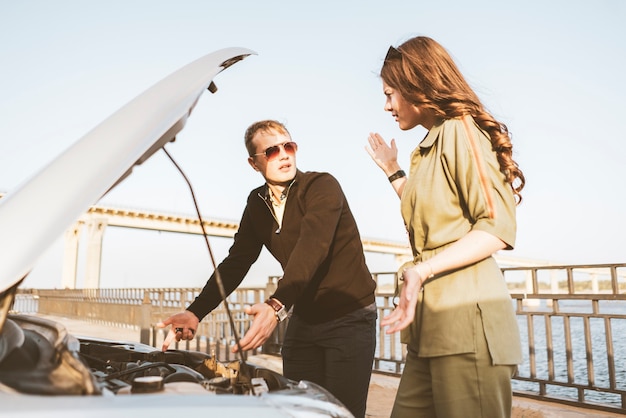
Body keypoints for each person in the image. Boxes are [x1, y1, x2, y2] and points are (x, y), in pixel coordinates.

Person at [159, 119, 377, 418]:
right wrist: (196, 311)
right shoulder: (257, 203)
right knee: (296, 410)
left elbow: (311, 248)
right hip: (305, 318)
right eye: (272, 151)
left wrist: (275, 305)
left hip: (349, 317)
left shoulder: (321, 185)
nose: (285, 155)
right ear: (254, 163)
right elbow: (238, 261)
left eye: (289, 146)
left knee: (341, 413)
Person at [365, 36, 526, 418]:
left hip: (467, 329)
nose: (386, 105)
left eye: (391, 94)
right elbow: (431, 212)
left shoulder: (461, 130)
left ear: (416, 85)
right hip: (429, 331)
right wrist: (393, 170)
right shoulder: (429, 146)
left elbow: (496, 227)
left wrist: (419, 272)